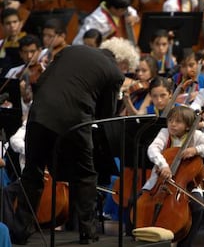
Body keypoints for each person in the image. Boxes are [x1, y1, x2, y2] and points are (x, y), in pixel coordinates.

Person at [1, 45, 125, 245]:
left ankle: (20, 231)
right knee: (85, 175)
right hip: (74, 121)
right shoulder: (114, 73)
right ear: (114, 60)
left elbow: (41, 83)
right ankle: (87, 232)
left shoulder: (70, 50)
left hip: (39, 114)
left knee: (33, 172)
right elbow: (105, 117)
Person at [139, 105, 204, 247]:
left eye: (178, 122)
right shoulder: (164, 133)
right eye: (170, 120)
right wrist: (163, 164)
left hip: (186, 186)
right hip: (159, 182)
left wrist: (196, 149)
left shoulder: (197, 136)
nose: (172, 124)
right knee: (134, 203)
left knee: (198, 209)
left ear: (188, 126)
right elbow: (153, 149)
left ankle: (185, 244)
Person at [72, 0, 139, 45]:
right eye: (123, 10)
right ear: (113, 8)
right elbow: (80, 42)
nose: (125, 12)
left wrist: (134, 16)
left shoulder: (113, 6)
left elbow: (131, 10)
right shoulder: (97, 21)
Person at [0, 8, 26, 77]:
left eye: (15, 22)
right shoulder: (1, 44)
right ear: (2, 26)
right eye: (8, 23)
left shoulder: (29, 42)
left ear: (21, 23)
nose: (12, 26)